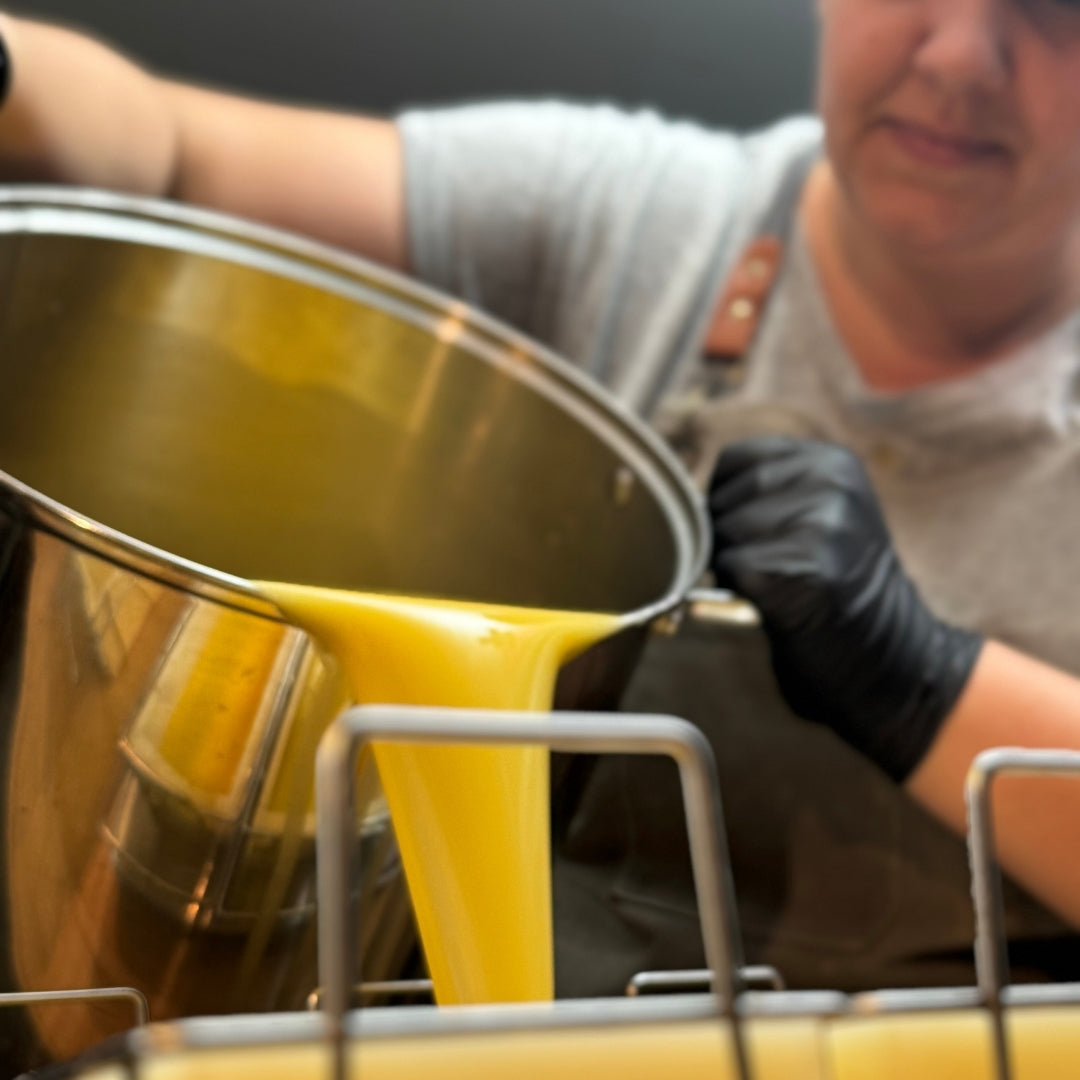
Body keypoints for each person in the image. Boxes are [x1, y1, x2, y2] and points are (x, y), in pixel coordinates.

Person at [2, 1, 1080, 994]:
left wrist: (923, 682)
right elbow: (173, 152)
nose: (957, 56)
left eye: (1047, 10)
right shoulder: (647, 218)